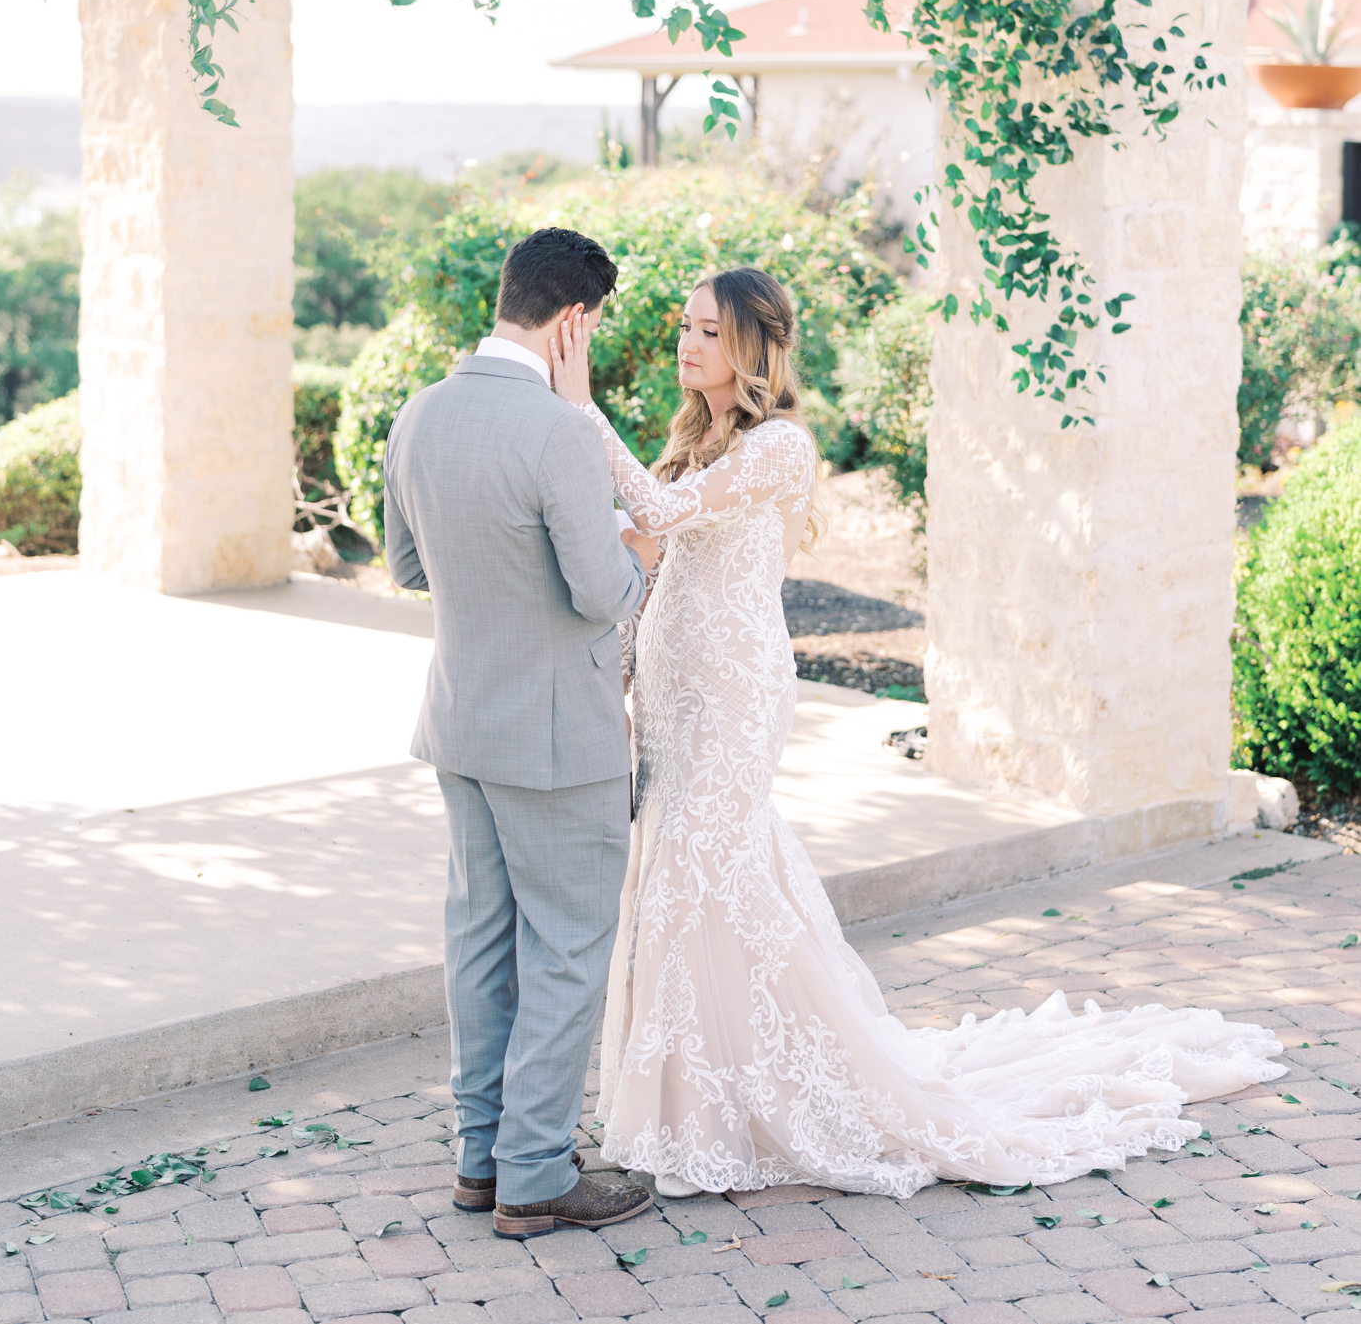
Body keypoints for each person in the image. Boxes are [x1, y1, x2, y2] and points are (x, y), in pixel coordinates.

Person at [550, 265, 1286, 1200]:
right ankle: (695, 1102)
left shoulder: (783, 445)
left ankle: (758, 1102)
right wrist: (618, 675)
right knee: (679, 880)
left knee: (704, 868)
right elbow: (652, 560)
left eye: (706, 330)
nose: (688, 344)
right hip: (671, 689)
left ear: (754, 346)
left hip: (735, 693)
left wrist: (581, 410)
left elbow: (654, 515)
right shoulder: (693, 439)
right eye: (685, 328)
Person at [384, 227, 656, 1239]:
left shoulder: (419, 413)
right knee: (569, 944)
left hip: (460, 721)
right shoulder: (555, 431)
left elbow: (411, 570)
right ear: (576, 322)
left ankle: (479, 1157)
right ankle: (537, 1173)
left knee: (478, 939)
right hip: (557, 738)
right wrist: (639, 549)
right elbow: (600, 595)